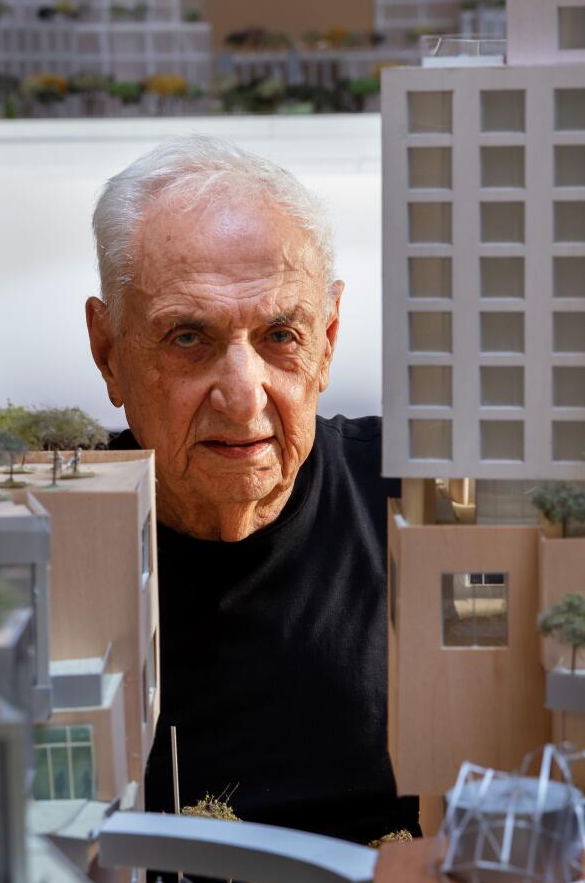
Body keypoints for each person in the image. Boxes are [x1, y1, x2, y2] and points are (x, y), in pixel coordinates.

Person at [86, 135, 417, 846]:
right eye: (186, 338)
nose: (242, 399)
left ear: (326, 339)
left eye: (279, 334)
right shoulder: (37, 531)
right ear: (108, 352)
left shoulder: (429, 499)